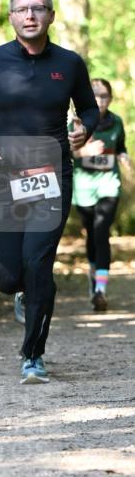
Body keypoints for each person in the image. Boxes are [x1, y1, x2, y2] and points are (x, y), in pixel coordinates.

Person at [0, 0, 99, 384]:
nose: (31, 15)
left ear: (51, 16)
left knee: (39, 264)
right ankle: (21, 293)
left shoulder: (69, 64)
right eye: (22, 9)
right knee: (7, 276)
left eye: (39, 9)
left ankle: (33, 355)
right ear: (12, 17)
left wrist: (84, 130)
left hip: (53, 176)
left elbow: (88, 109)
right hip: (5, 177)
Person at [72, 78, 130, 311]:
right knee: (92, 235)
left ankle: (101, 290)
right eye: (95, 95)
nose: (99, 99)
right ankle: (93, 277)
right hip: (84, 187)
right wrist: (84, 150)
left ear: (110, 98)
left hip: (109, 185)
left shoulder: (116, 122)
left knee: (101, 231)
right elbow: (68, 152)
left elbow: (121, 146)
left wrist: (124, 157)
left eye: (104, 95)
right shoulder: (77, 122)